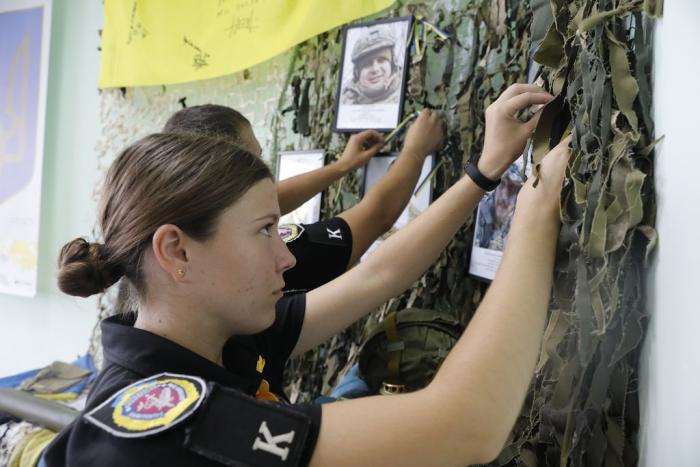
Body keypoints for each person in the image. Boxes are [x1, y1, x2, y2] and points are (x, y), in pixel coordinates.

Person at [43, 84, 568, 466]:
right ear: (176, 251)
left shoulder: (214, 331)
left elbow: (378, 274)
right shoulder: (165, 427)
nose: (287, 257)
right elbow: (467, 425)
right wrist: (537, 208)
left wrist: (484, 172)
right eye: (264, 231)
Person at [162, 104, 444, 292]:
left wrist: (341, 167)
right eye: (255, 162)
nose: (264, 173)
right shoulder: (267, 260)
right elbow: (378, 214)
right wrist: (416, 150)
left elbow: (270, 198)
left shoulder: (184, 219)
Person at [341, 28, 403, 105]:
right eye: (367, 64)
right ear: (357, 73)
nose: (375, 69)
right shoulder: (344, 102)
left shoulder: (407, 93)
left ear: (392, 64)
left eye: (381, 60)